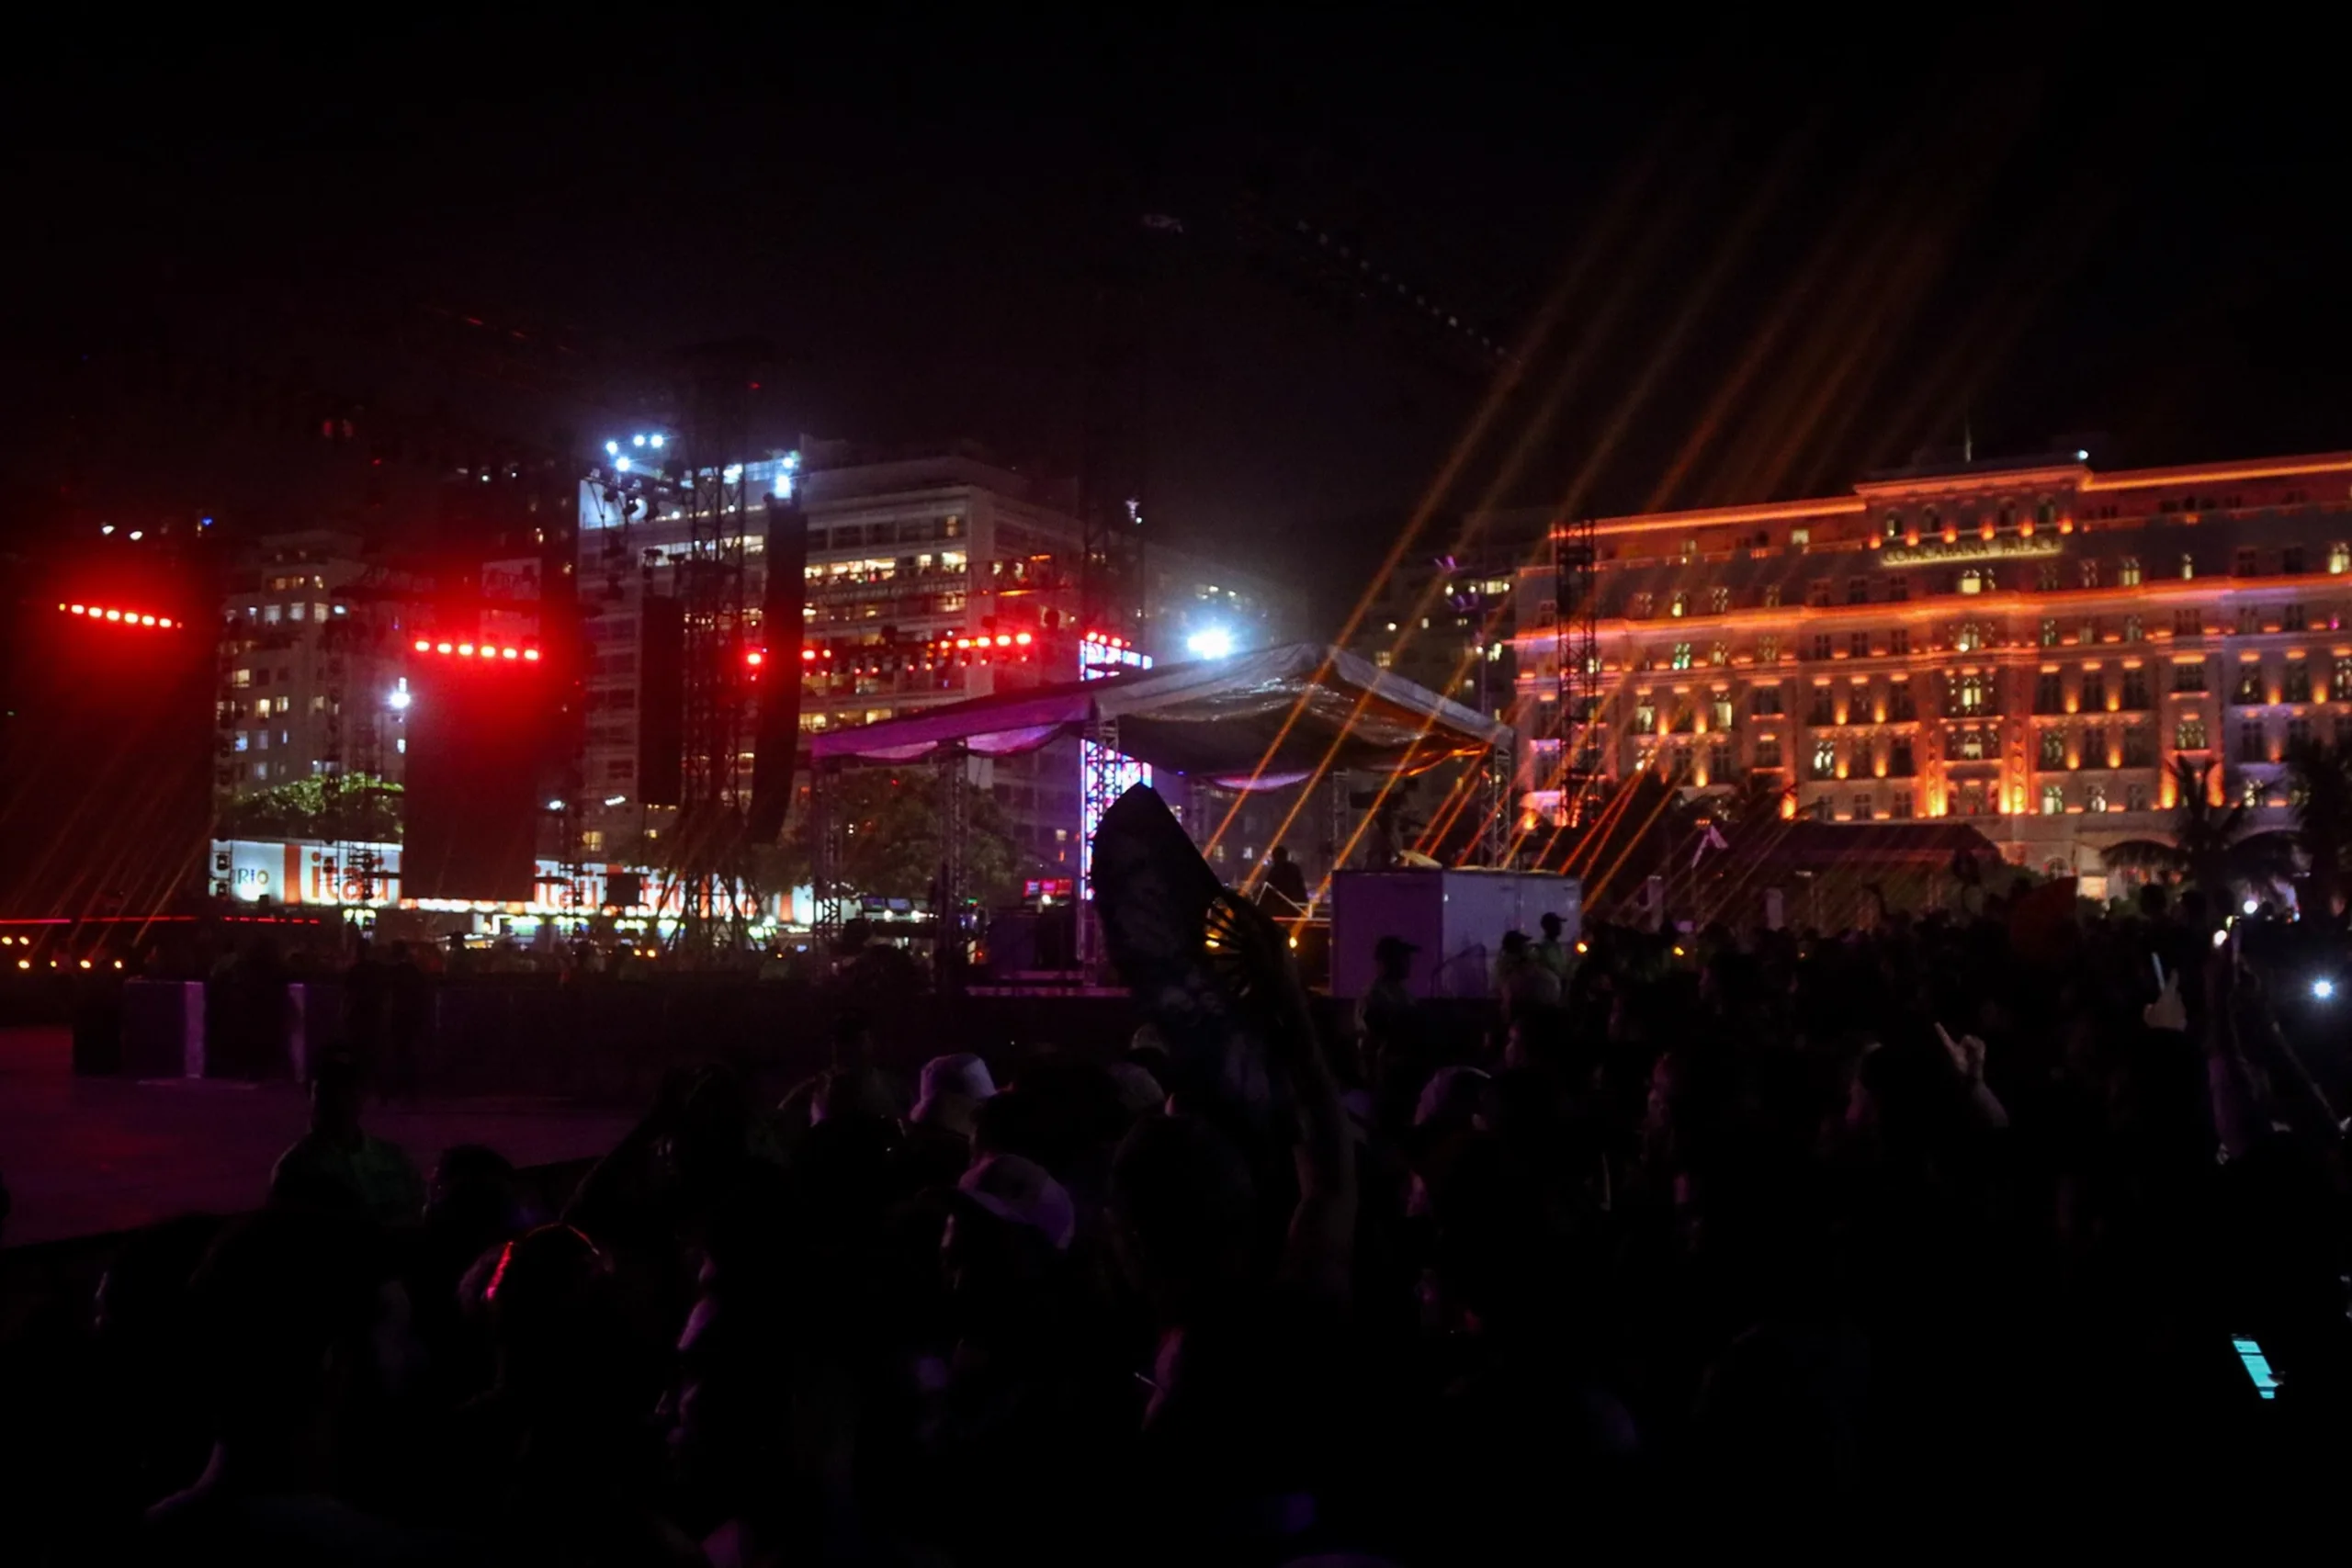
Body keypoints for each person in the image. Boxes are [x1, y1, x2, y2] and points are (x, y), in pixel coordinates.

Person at [268, 1054, 426, 1224]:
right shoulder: (296, 1168)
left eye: (348, 1088)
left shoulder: (395, 1160)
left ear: (362, 1095)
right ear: (312, 1095)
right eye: (329, 1089)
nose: (339, 1098)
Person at [1259, 844, 1311, 916]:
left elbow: (1267, 890)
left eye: (1274, 857)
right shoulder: (1294, 868)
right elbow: (1301, 888)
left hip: (1282, 908)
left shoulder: (1276, 870)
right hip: (1293, 907)